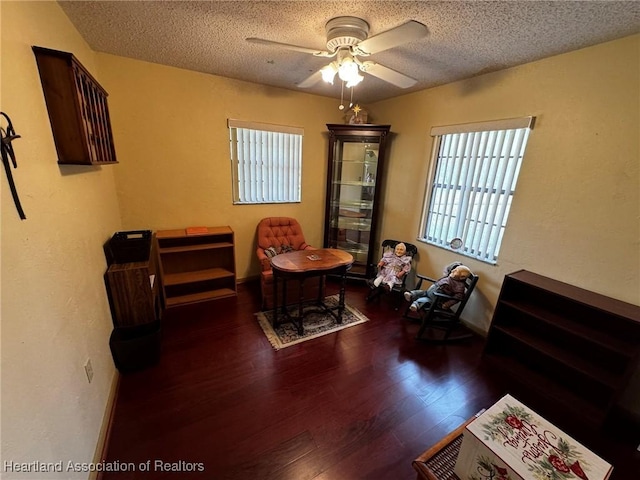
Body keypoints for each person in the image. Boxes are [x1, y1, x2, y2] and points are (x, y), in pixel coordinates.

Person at [404, 262, 472, 312]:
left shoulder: (459, 286)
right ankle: (411, 294)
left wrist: (447, 304)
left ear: (462, 277)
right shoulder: (450, 276)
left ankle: (415, 305)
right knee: (422, 292)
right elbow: (448, 269)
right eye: (454, 269)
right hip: (431, 291)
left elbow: (458, 297)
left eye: (456, 271)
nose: (453, 271)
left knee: (426, 300)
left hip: (437, 297)